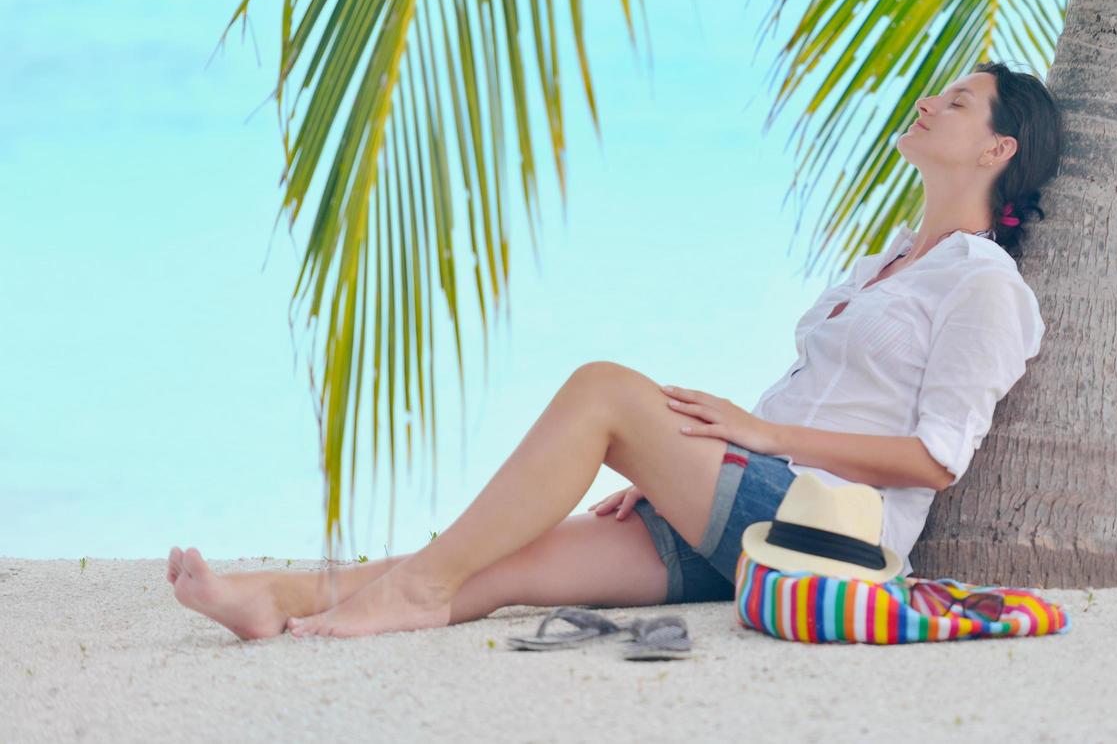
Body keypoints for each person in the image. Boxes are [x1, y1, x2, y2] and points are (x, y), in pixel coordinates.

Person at [167, 61, 1063, 640]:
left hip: (819, 527)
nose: (926, 102)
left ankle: (410, 590)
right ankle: (274, 601)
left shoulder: (981, 283)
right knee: (506, 563)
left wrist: (752, 437)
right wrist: (677, 466)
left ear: (997, 146)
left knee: (602, 389)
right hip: (743, 514)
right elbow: (806, 400)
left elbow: (937, 458)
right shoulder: (877, 267)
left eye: (955, 102)